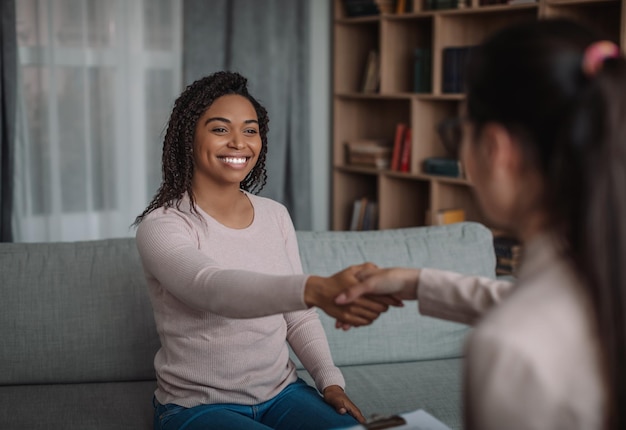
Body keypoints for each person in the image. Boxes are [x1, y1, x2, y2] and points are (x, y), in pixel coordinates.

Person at [334, 19, 626, 430]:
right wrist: (415, 282)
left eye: (458, 134)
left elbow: (535, 322)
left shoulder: (510, 347)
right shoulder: (600, 272)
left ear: (496, 148)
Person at [132, 71, 396, 430]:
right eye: (220, 129)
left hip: (284, 394)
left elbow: (298, 317)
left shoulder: (275, 215)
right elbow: (212, 288)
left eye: (250, 130)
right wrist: (313, 289)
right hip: (198, 408)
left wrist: (330, 383)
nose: (239, 143)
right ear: (189, 138)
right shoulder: (162, 226)